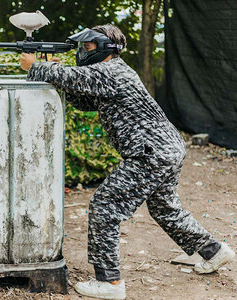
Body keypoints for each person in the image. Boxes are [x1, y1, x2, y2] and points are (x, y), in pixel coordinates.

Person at [20, 24, 235, 299]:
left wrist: (36, 66)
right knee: (165, 209)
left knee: (105, 205)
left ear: (104, 49)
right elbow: (84, 99)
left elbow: (74, 77)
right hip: (166, 148)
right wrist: (50, 71)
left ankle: (110, 283)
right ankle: (214, 252)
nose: (83, 53)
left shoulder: (111, 71)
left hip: (151, 152)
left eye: (87, 47)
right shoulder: (110, 73)